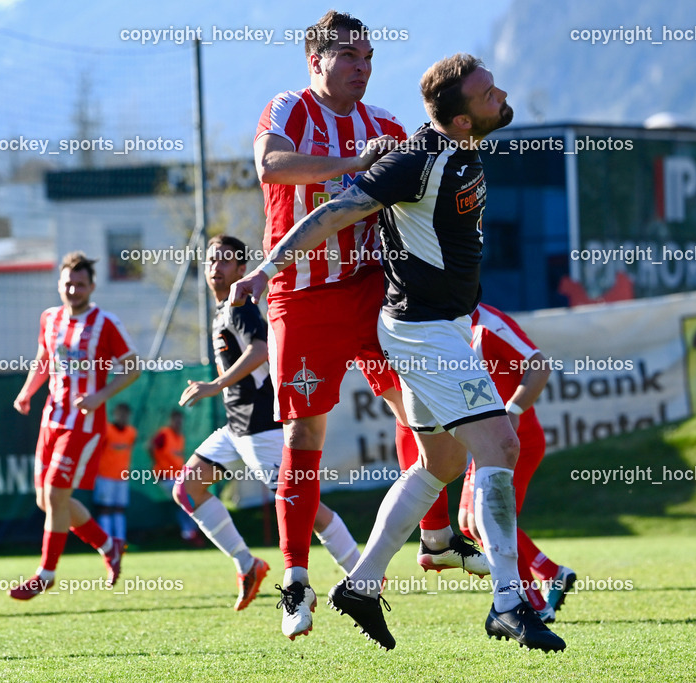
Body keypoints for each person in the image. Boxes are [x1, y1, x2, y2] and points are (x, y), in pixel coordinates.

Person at [232, 54, 565, 653]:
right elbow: (334, 212)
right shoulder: (417, 160)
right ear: (462, 121)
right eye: (489, 94)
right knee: (500, 445)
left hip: (437, 325)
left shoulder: (457, 146)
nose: (502, 95)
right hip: (423, 332)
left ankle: (361, 586)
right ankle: (510, 601)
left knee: (437, 463)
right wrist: (262, 274)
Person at [252, 10, 487, 640]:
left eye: (369, 55)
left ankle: (437, 536)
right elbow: (273, 167)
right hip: (301, 297)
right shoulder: (288, 109)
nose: (362, 65)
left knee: (419, 410)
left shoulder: (386, 123)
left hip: (372, 294)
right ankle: (296, 581)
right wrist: (357, 161)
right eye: (348, 55)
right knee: (305, 437)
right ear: (316, 60)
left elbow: (427, 172)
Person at [172, 234, 363, 616]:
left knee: (305, 507)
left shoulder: (239, 305)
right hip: (235, 427)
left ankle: (362, 571)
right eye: (212, 260)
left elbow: (259, 351)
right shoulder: (221, 309)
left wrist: (215, 385)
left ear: (242, 269)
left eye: (226, 261)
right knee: (187, 488)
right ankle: (248, 565)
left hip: (261, 428)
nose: (216, 267)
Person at [10, 251, 141, 600]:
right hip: (51, 418)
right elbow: (42, 359)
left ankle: (45, 573)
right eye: (68, 283)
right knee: (47, 500)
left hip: (83, 424)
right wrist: (26, 393)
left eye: (80, 284)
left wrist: (100, 396)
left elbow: (132, 367)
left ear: (92, 286)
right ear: (59, 284)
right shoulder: (49, 318)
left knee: (55, 495)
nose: (73, 289)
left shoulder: (104, 323)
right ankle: (108, 544)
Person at [454, 303, 576, 623]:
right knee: (469, 522)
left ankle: (535, 604)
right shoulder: (447, 326)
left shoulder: (488, 324)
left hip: (513, 442)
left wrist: (513, 411)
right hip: (486, 442)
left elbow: (540, 365)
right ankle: (552, 573)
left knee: (490, 522)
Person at [149, 410, 200, 544]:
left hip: (177, 476)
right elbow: (150, 446)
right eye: (176, 419)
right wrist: (157, 462)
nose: (178, 423)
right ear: (171, 420)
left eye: (180, 420)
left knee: (183, 503)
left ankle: (189, 533)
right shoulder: (165, 434)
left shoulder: (180, 437)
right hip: (165, 476)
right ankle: (189, 533)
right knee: (184, 500)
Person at [93, 402, 137, 542]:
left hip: (122, 477)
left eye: (125, 413)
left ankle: (120, 540)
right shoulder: (106, 430)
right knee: (105, 508)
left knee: (120, 509)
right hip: (105, 476)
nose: (122, 416)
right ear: (114, 414)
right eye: (120, 413)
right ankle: (106, 542)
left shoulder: (131, 432)